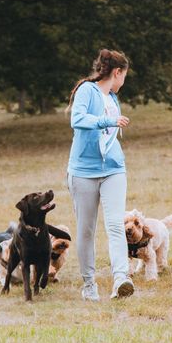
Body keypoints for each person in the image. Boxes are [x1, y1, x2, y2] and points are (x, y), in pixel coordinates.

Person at [66, 48, 134, 301]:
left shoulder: (113, 99)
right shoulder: (88, 90)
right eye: (124, 76)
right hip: (83, 171)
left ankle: (121, 279)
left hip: (114, 169)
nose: (123, 82)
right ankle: (89, 284)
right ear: (117, 72)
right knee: (86, 230)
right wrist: (107, 122)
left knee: (116, 224)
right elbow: (78, 119)